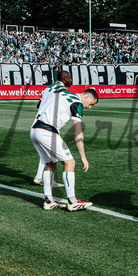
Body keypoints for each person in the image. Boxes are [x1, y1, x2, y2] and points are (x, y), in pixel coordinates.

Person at [31, 81, 100, 211]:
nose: (90, 107)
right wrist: (83, 157)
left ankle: (48, 201)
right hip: (47, 131)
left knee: (51, 163)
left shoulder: (64, 92)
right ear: (86, 96)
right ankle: (72, 202)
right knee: (70, 162)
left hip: (35, 130)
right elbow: (78, 133)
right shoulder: (77, 103)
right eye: (91, 104)